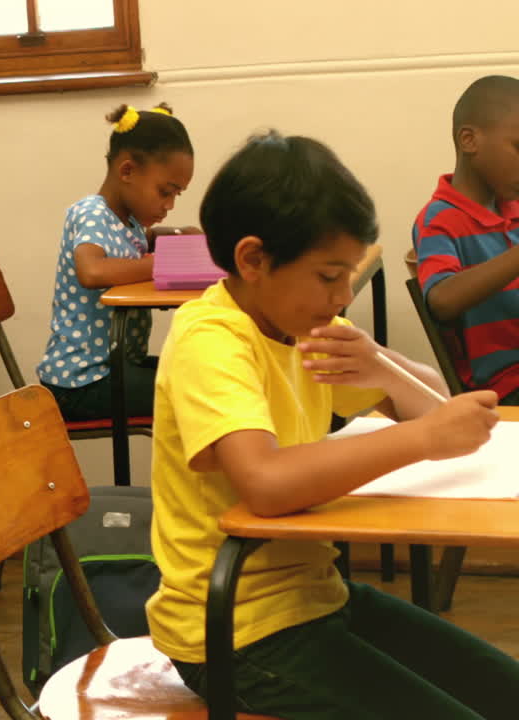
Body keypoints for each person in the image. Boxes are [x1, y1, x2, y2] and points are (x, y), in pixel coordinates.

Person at [148, 130, 519, 719]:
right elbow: (265, 483)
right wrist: (421, 438)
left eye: (350, 274)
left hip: (313, 599)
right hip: (237, 633)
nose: (343, 295)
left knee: (507, 692)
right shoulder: (210, 341)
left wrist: (382, 367)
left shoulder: (299, 327)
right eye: (328, 276)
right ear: (253, 259)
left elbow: (443, 405)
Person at [36, 103, 197, 421]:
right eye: (165, 192)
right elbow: (92, 270)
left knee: (197, 375)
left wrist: (182, 234)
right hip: (81, 382)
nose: (169, 204)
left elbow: (137, 242)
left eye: (176, 195)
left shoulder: (128, 221)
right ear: (127, 172)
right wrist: (163, 264)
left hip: (114, 367)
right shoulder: (92, 213)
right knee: (196, 392)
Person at [414, 75, 519, 403]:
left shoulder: (514, 207)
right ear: (469, 140)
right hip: (504, 386)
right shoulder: (439, 220)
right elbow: (442, 301)